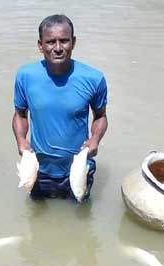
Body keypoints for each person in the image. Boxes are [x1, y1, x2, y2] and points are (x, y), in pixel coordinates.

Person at [12, 14, 108, 201]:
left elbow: (101, 116)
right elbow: (20, 114)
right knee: (36, 222)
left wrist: (95, 138)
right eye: (50, 42)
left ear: (73, 42)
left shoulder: (94, 78)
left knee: (80, 222)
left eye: (64, 41)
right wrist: (21, 140)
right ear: (40, 45)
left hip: (78, 167)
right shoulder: (25, 76)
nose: (57, 48)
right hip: (39, 169)